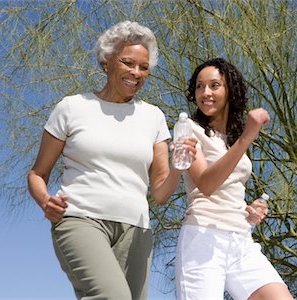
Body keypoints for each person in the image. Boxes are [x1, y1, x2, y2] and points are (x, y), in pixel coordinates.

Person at [27, 21, 197, 300]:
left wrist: (181, 167)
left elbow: (160, 192)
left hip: (137, 229)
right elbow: (37, 173)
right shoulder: (72, 108)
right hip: (81, 218)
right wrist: (45, 201)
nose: (136, 73)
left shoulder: (153, 116)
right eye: (128, 62)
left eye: (144, 68)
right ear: (106, 61)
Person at [175, 58, 293, 300]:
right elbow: (206, 184)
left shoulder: (230, 139)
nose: (205, 92)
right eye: (199, 86)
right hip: (203, 237)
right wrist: (247, 137)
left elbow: (227, 186)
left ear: (230, 90)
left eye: (214, 85)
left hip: (240, 239)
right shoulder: (188, 129)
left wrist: (247, 210)